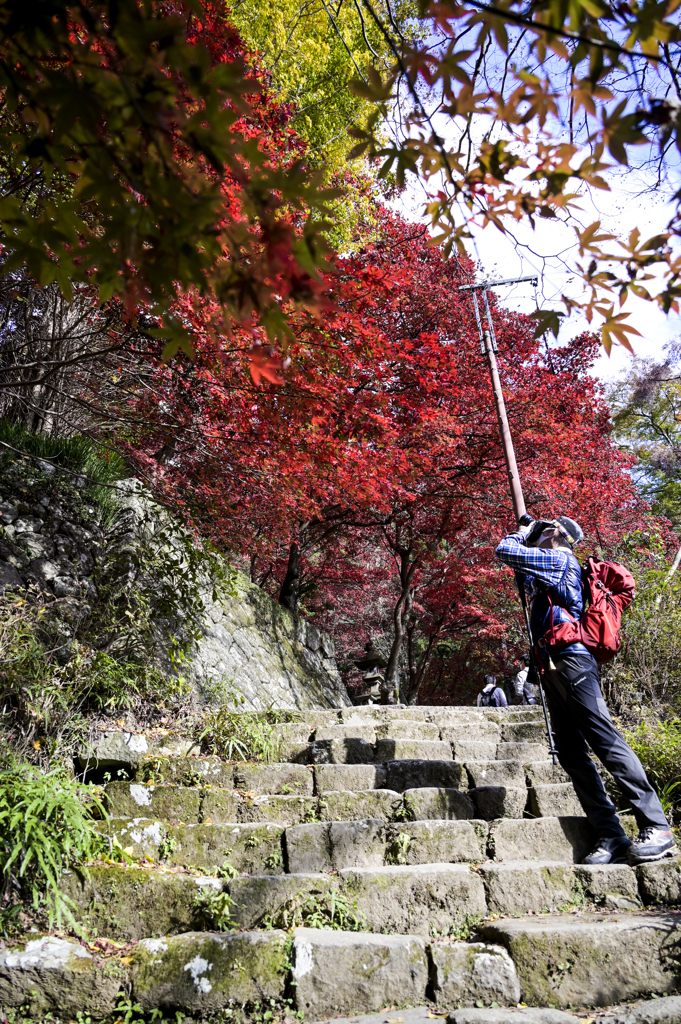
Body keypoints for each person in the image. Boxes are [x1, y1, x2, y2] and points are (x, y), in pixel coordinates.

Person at [495, 515, 675, 866]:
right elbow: (524, 575)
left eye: (539, 534)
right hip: (551, 666)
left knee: (605, 741)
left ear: (555, 535)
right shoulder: (546, 571)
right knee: (572, 754)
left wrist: (519, 533)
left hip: (573, 663)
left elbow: (505, 550)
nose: (533, 539)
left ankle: (657, 826)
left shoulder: (561, 559)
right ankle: (611, 834)